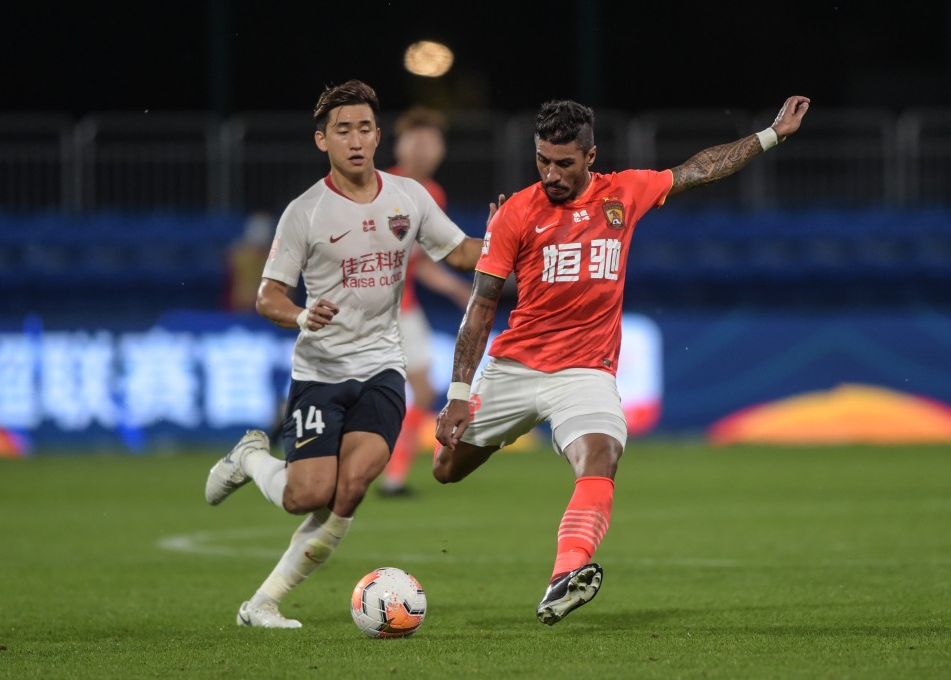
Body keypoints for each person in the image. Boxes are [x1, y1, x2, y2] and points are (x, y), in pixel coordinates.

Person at [434, 95, 812, 625]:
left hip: (585, 373)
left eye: (564, 163)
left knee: (601, 457)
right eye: (543, 160)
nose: (552, 174)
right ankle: (500, 432)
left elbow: (697, 170)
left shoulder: (624, 192)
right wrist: (456, 396)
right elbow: (481, 307)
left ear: (591, 156)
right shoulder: (518, 211)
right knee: (445, 469)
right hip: (515, 368)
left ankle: (564, 576)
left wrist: (770, 135)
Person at [203, 79, 486, 629]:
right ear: (321, 141)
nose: (355, 140)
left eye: (363, 128)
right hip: (320, 372)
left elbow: (461, 253)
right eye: (342, 130)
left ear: (378, 135)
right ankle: (249, 458)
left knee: (351, 488)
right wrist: (303, 315)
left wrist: (502, 237)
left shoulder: (410, 197)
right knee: (306, 494)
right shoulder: (304, 212)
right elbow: (268, 295)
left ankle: (263, 602)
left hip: (382, 366)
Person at [380, 106, 474, 496]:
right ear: (400, 145)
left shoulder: (433, 193)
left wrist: (456, 288)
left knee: (420, 393)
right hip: (369, 309)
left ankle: (393, 480)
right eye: (416, 140)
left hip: (405, 307)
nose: (425, 149)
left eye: (432, 141)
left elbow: (419, 261)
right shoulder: (381, 187)